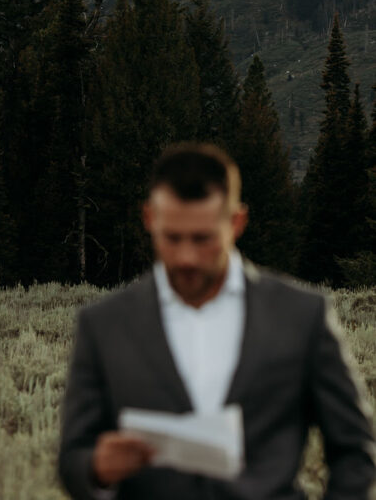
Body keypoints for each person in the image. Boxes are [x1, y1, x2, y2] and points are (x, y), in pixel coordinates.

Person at [59, 142, 376, 499]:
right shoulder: (103, 323)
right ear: (149, 219)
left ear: (237, 221)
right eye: (172, 238)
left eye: (203, 239)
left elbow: (355, 449)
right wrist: (96, 468)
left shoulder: (302, 315)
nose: (187, 258)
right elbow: (73, 458)